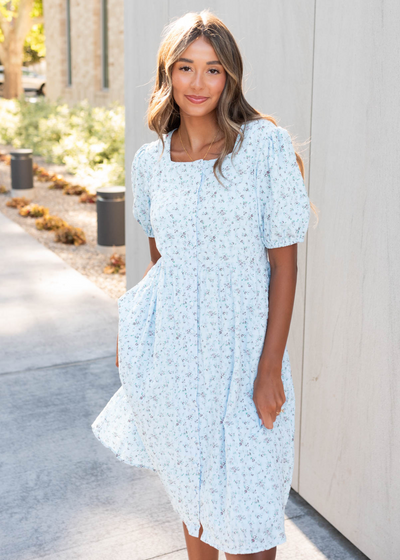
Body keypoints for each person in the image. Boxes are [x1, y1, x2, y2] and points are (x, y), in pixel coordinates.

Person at [92, 10, 317, 560]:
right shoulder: (152, 163)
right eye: (185, 67)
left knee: (251, 525)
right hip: (175, 359)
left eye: (213, 70)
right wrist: (133, 328)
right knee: (195, 506)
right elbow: (164, 265)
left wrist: (269, 370)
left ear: (230, 76)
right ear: (167, 75)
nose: (198, 83)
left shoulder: (264, 147)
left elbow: (283, 266)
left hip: (244, 356)